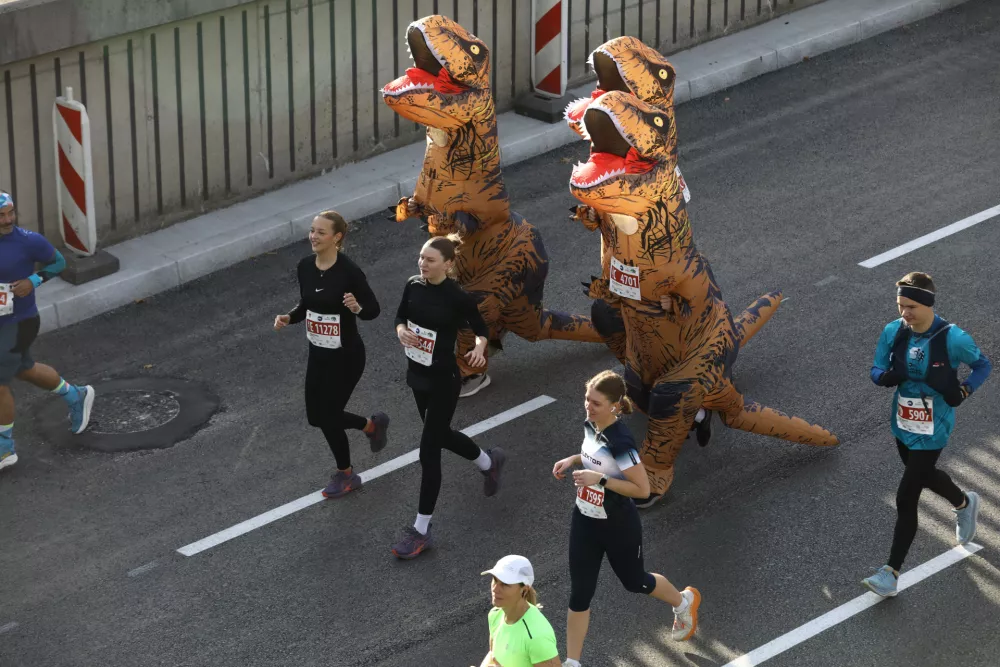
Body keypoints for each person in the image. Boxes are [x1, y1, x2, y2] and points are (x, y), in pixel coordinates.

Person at [552, 370, 701, 666]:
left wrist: (601, 480)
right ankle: (573, 662)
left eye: (595, 403)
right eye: (586, 399)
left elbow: (642, 489)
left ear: (614, 406)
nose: (587, 406)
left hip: (617, 525)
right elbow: (594, 456)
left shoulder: (622, 442)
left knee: (634, 582)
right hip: (584, 519)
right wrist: (573, 459)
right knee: (580, 592)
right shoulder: (592, 425)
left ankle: (684, 602)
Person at [862, 271, 991, 597]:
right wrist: (888, 377)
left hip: (934, 428)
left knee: (906, 496)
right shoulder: (893, 332)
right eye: (900, 305)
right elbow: (876, 369)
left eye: (911, 307)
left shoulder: (954, 339)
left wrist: (962, 392)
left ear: (928, 305)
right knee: (924, 476)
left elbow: (984, 366)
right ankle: (964, 503)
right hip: (903, 424)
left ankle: (890, 573)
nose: (904, 313)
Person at [390, 235, 506, 559]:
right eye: (421, 258)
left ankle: (421, 530)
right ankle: (488, 461)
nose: (422, 264)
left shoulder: (457, 297)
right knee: (440, 435)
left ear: (448, 264)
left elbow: (482, 329)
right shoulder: (413, 285)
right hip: (418, 377)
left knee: (429, 452)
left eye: (430, 260)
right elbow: (399, 317)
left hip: (444, 379)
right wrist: (401, 332)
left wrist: (480, 348)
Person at [274, 211, 389, 498]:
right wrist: (290, 317)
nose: (313, 236)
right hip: (319, 353)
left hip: (346, 357)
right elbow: (307, 305)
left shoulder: (349, 272)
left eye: (320, 232)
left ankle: (346, 474)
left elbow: (373, 310)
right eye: (312, 230)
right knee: (316, 417)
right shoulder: (305, 267)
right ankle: (370, 425)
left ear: (337, 237)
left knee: (328, 415)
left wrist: (356, 308)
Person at [0, 191, 94, 471]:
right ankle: (75, 394)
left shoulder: (28, 241)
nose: (7, 220)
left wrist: (34, 279)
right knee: (25, 369)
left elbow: (58, 263)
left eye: (11, 213)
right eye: (1, 216)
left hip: (20, 322)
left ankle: (4, 449)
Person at [477, 554, 561, 667]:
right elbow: (493, 655)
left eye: (505, 584)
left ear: (524, 590)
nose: (495, 589)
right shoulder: (495, 614)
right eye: (495, 580)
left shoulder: (537, 636)